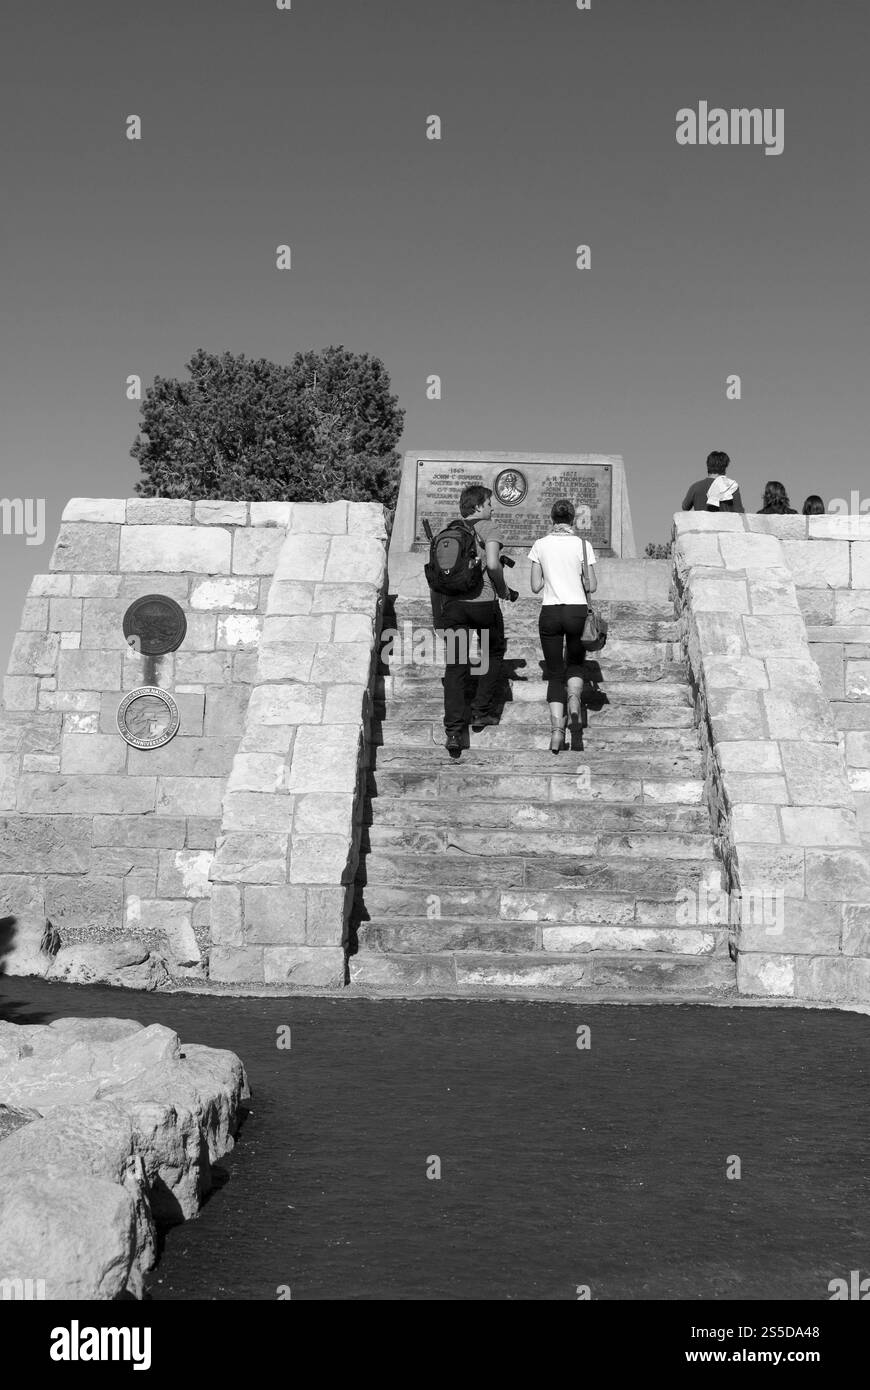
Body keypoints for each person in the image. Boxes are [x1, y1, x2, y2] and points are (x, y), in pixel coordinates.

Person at [439, 485, 518, 755]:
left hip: (453, 606)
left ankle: (452, 730)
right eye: (489, 503)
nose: (492, 508)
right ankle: (480, 712)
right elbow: (494, 565)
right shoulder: (489, 527)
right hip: (483, 603)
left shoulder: (449, 530)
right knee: (493, 652)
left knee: (455, 666)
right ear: (478, 507)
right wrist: (504, 591)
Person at [528, 500, 597, 754]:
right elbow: (592, 586)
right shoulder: (582, 544)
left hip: (550, 611)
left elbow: (535, 586)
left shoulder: (540, 545)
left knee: (555, 673)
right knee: (576, 663)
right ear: (572, 519)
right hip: (577, 610)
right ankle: (575, 702)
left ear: (551, 518)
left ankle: (557, 732)